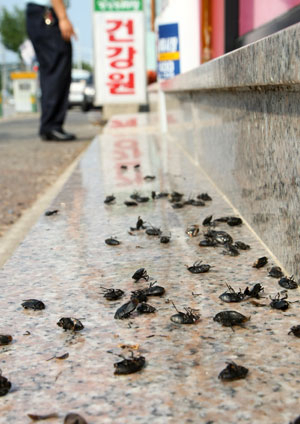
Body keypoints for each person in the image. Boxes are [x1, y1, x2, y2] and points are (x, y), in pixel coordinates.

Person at [26, 0, 76, 141]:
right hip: (47, 14)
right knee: (57, 71)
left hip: (41, 14)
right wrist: (63, 18)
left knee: (52, 70)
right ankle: (51, 126)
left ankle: (50, 126)